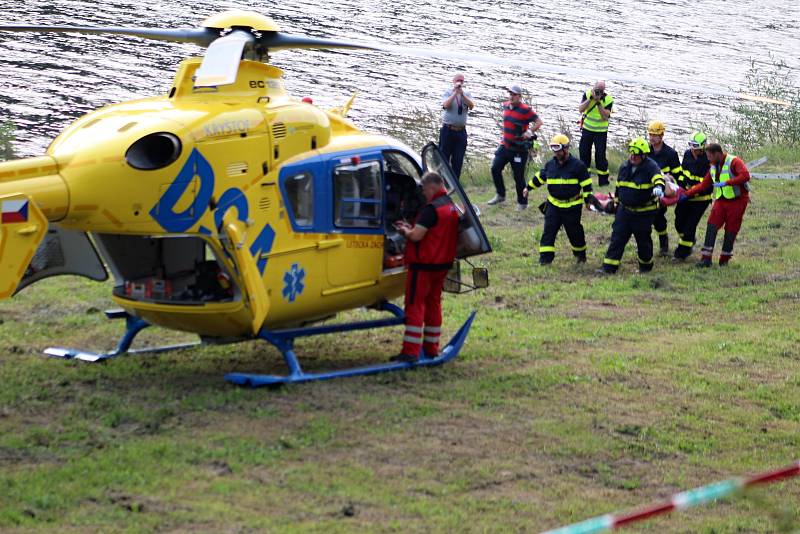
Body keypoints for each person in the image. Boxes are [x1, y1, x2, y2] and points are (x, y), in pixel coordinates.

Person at [392, 172, 460, 362]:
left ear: (432, 186)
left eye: (423, 188)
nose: (422, 193)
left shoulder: (431, 210)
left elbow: (416, 236)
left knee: (415, 305)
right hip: (442, 265)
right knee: (433, 303)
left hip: (423, 266)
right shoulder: (451, 206)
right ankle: (431, 347)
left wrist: (405, 230)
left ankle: (410, 352)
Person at [523, 134, 596, 264]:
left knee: (575, 233)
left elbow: (587, 185)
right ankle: (545, 261)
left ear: (566, 149)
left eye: (558, 150)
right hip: (553, 206)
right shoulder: (550, 165)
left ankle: (580, 256)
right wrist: (528, 188)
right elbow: (540, 177)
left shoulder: (578, 166)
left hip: (572, 207)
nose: (556, 153)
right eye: (554, 150)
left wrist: (588, 202)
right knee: (548, 232)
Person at [599, 138, 666, 274]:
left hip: (643, 213)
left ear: (643, 155)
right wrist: (616, 203)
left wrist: (659, 187)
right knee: (617, 238)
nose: (632, 157)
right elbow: (619, 187)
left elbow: (658, 178)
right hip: (625, 211)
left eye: (636, 155)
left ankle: (645, 267)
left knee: (643, 241)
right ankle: (609, 268)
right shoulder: (624, 167)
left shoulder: (651, 167)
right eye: (631, 154)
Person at [680, 143, 750, 267]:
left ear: (717, 154)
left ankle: (724, 260)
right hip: (721, 201)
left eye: (709, 156)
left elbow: (745, 176)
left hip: (737, 200)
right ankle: (706, 259)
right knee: (711, 226)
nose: (708, 159)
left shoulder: (734, 161)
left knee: (731, 230)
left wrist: (727, 183)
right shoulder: (713, 166)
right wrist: (687, 194)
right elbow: (703, 185)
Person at [488, 84, 543, 210]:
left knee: (518, 177)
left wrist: (529, 132)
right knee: (495, 168)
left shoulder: (526, 109)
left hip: (519, 149)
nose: (511, 96)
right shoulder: (506, 105)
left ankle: (522, 203)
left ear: (520, 96)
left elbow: (539, 122)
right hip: (505, 146)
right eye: (510, 94)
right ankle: (500, 195)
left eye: (514, 94)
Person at [673, 132, 712, 260]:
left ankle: (682, 253)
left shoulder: (709, 160)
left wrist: (691, 191)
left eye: (695, 146)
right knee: (679, 222)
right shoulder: (687, 154)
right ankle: (689, 239)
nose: (692, 149)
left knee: (690, 225)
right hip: (686, 196)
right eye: (691, 145)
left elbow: (705, 184)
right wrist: (681, 185)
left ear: (702, 147)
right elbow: (683, 173)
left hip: (701, 199)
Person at [647, 120, 683, 256]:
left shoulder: (671, 154)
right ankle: (646, 247)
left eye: (654, 135)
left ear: (661, 136)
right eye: (650, 134)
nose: (651, 138)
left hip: (663, 190)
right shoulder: (646, 150)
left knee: (658, 218)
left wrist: (669, 177)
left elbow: (679, 176)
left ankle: (664, 243)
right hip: (647, 188)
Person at [578, 81, 614, 187]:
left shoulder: (608, 99)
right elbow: (581, 109)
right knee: (584, 154)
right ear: (594, 87)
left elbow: (605, 116)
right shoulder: (587, 94)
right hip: (587, 130)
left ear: (604, 91)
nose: (598, 92)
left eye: (601, 90)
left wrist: (598, 103)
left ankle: (603, 181)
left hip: (601, 132)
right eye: (597, 89)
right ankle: (585, 180)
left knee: (600, 157)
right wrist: (591, 99)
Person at [439, 73, 475, 179]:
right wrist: (454, 94)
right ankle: (442, 183)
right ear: (453, 81)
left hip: (461, 132)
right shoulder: (447, 92)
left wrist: (462, 95)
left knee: (458, 160)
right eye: (458, 80)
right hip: (448, 130)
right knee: (444, 159)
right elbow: (445, 105)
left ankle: (455, 185)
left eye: (462, 81)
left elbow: (472, 106)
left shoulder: (467, 93)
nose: (460, 82)